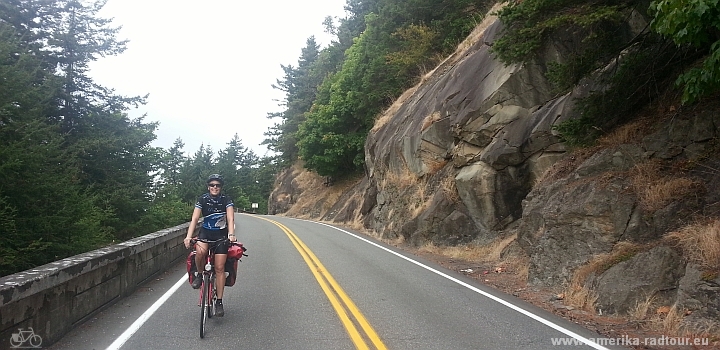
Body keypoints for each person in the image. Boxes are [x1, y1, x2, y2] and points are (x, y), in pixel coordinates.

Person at [184, 173, 236, 317]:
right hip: (205, 233)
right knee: (200, 252)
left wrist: (231, 234)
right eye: (212, 185)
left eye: (217, 185)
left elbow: (230, 218)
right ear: (208, 187)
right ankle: (199, 274)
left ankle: (219, 301)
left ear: (221, 187)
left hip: (221, 236)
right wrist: (188, 236)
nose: (215, 187)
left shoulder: (226, 200)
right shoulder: (203, 199)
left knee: (219, 268)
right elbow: (195, 218)